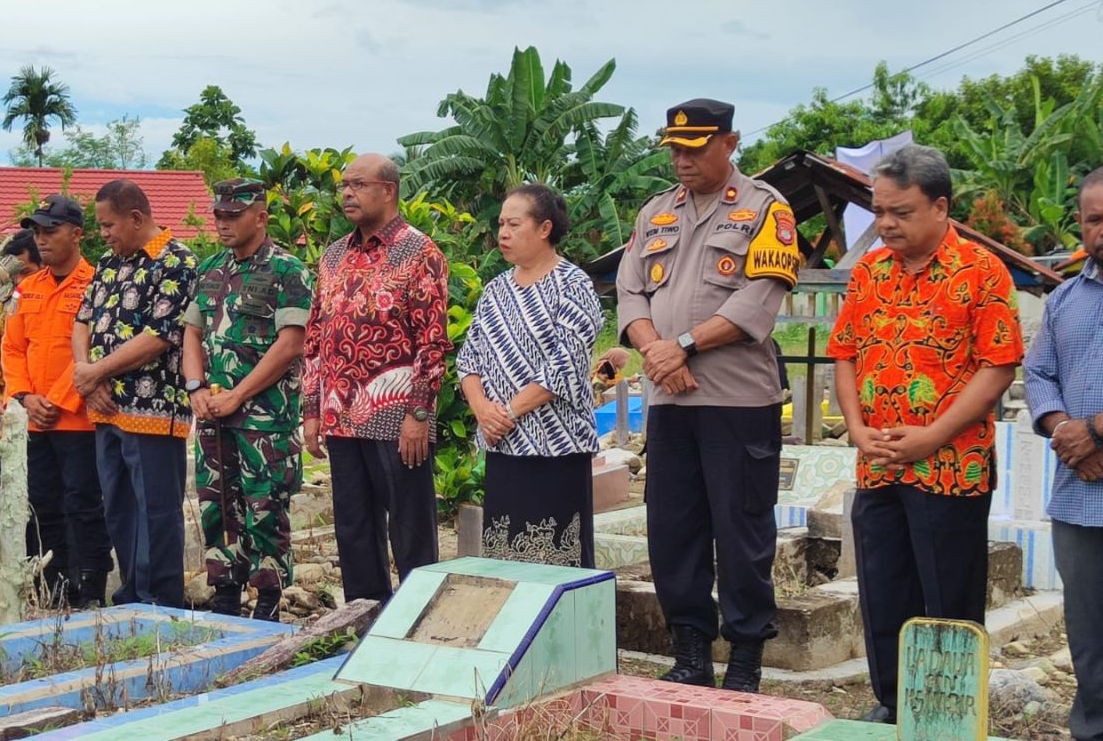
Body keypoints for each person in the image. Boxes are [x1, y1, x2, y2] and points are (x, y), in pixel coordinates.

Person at [827, 144, 1023, 724]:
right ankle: (893, 703)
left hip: (950, 467)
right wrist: (858, 431)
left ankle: (952, 712)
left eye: (901, 212)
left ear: (941, 207)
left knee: (949, 598)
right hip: (879, 463)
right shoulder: (870, 272)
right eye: (879, 210)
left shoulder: (981, 272)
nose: (885, 224)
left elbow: (998, 365)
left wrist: (932, 434)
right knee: (884, 589)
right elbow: (844, 354)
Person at [615, 99, 800, 692]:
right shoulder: (654, 214)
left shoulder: (765, 209)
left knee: (742, 534)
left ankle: (745, 659)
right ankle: (690, 651)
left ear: (730, 143)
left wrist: (684, 345)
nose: (682, 160)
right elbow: (630, 293)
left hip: (737, 403)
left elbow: (758, 299)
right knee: (673, 531)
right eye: (674, 148)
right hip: (670, 400)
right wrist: (655, 351)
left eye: (694, 148)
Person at [302, 153, 451, 604]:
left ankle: (418, 622)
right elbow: (314, 338)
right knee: (353, 527)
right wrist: (312, 411)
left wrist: (419, 413)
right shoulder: (332, 257)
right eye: (344, 185)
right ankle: (364, 621)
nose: (347, 193)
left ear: (388, 190)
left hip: (396, 419)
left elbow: (432, 341)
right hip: (341, 418)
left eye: (359, 184)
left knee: (410, 527)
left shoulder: (418, 252)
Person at [182, 179, 311, 622]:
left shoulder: (287, 271)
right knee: (217, 505)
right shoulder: (212, 268)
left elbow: (290, 343)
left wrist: (239, 393)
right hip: (213, 415)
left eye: (233, 215)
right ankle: (224, 593)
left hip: (263, 419)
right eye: (218, 214)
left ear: (261, 216)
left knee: (265, 508)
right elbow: (192, 333)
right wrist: (196, 387)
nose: (222, 223)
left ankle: (269, 601)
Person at [457, 184, 603, 568]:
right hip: (503, 446)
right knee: (506, 556)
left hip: (557, 448)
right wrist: (481, 408)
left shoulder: (574, 285)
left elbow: (565, 365)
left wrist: (505, 412)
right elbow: (469, 358)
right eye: (501, 224)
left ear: (544, 229)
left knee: (559, 556)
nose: (503, 233)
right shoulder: (495, 290)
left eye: (514, 224)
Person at [72, 180, 198, 608]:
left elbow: (160, 335)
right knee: (119, 508)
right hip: (106, 407)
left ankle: (161, 600)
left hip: (153, 407)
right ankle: (130, 596)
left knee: (156, 510)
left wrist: (95, 373)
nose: (103, 234)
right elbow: (83, 321)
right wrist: (87, 376)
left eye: (108, 225)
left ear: (136, 218)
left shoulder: (177, 262)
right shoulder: (109, 263)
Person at [1024, 165, 1103, 741]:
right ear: (1080, 223)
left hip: (1088, 451)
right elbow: (1039, 375)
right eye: (1095, 219)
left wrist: (1095, 430)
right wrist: (1067, 434)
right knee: (1088, 630)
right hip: (1080, 493)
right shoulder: (1064, 300)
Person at [3, 195, 113, 608]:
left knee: (83, 505)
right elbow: (12, 349)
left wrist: (58, 400)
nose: (41, 239)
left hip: (80, 420)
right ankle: (54, 585)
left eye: (50, 230)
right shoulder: (25, 290)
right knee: (42, 505)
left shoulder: (98, 285)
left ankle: (91, 588)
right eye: (37, 231)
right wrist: (26, 397)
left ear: (77, 234)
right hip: (35, 420)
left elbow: (97, 350)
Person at [0, 230, 41, 521]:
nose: (19, 281)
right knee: (3, 492)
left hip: (42, 407)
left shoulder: (51, 301)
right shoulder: (1, 299)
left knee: (41, 493)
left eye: (26, 272)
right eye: (14, 273)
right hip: (1, 410)